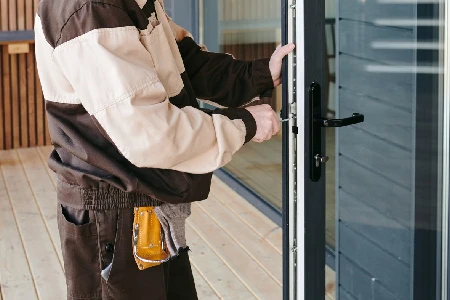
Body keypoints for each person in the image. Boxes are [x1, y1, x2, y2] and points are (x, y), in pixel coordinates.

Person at [34, 0, 294, 299]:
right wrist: (243, 124)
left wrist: (259, 74)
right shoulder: (92, 9)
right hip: (114, 214)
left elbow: (182, 62)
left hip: (144, 199)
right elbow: (150, 133)